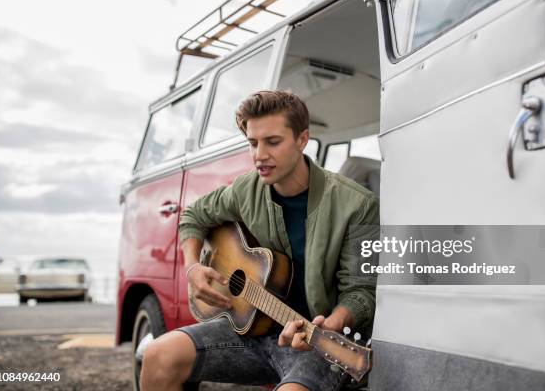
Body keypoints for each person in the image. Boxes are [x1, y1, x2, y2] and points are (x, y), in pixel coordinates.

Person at [141, 91, 379, 391]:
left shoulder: (358, 204)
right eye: (253, 143)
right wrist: (192, 267)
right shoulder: (245, 189)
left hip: (318, 346)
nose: (259, 155)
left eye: (273, 142)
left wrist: (329, 324)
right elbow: (193, 217)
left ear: (302, 139)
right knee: (157, 356)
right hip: (251, 331)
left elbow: (362, 291)